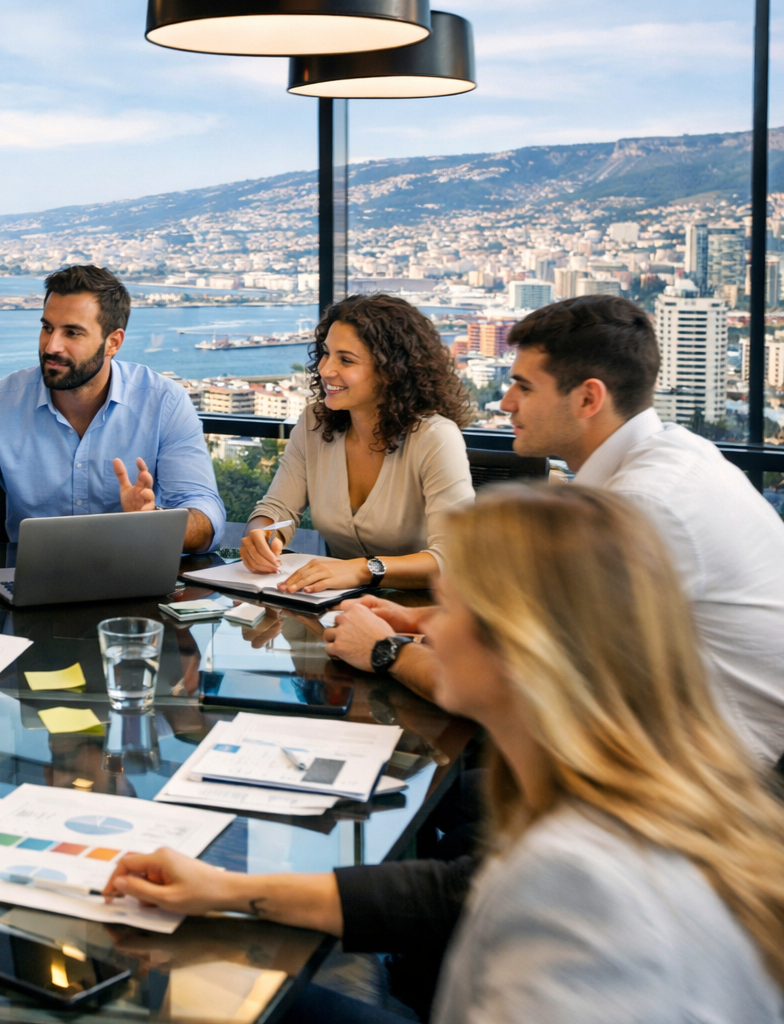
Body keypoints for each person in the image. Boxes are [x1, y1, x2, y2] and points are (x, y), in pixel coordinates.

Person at [107, 486, 784, 1023]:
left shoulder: (580, 883)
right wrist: (228, 890)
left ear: (520, 648)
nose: (422, 624)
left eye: (447, 608)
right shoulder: (652, 791)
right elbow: (454, 890)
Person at [324, 294, 784, 764]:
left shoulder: (642, 507)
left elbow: (513, 689)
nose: (505, 403)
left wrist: (386, 649)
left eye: (524, 387)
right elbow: (545, 632)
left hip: (726, 783)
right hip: (678, 746)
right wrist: (420, 619)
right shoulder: (673, 459)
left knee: (441, 798)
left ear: (588, 398)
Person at [0, 265, 225, 552]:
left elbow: (207, 517)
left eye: (72, 333)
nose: (51, 346)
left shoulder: (165, 402)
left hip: (136, 581)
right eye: (47, 328)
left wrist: (156, 521)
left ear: (113, 343)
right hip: (30, 583)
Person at [240, 294, 475, 593]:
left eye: (346, 360)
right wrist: (260, 536)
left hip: (424, 615)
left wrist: (362, 570)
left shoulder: (435, 437)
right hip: (334, 611)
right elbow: (277, 508)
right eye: (325, 354)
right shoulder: (315, 422)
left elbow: (454, 560)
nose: (325, 370)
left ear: (392, 372)